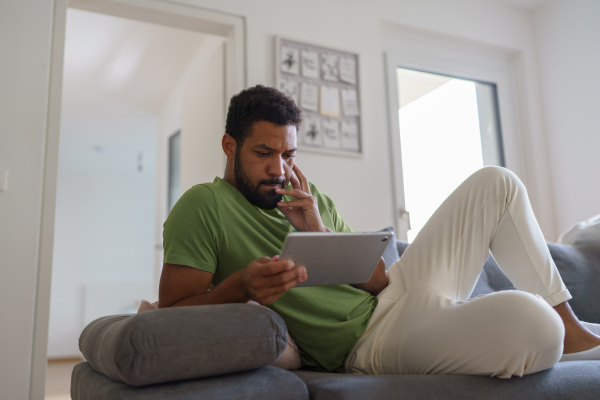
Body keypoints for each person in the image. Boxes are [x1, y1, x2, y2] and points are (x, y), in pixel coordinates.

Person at [158, 84, 600, 378]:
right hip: (368, 345)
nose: (279, 170)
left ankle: (574, 326)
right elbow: (172, 309)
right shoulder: (203, 206)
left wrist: (316, 228)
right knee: (535, 326)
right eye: (263, 154)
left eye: (288, 154)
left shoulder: (309, 199)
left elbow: (381, 282)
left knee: (497, 183)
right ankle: (542, 327)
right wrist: (240, 285)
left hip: (399, 294)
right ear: (229, 146)